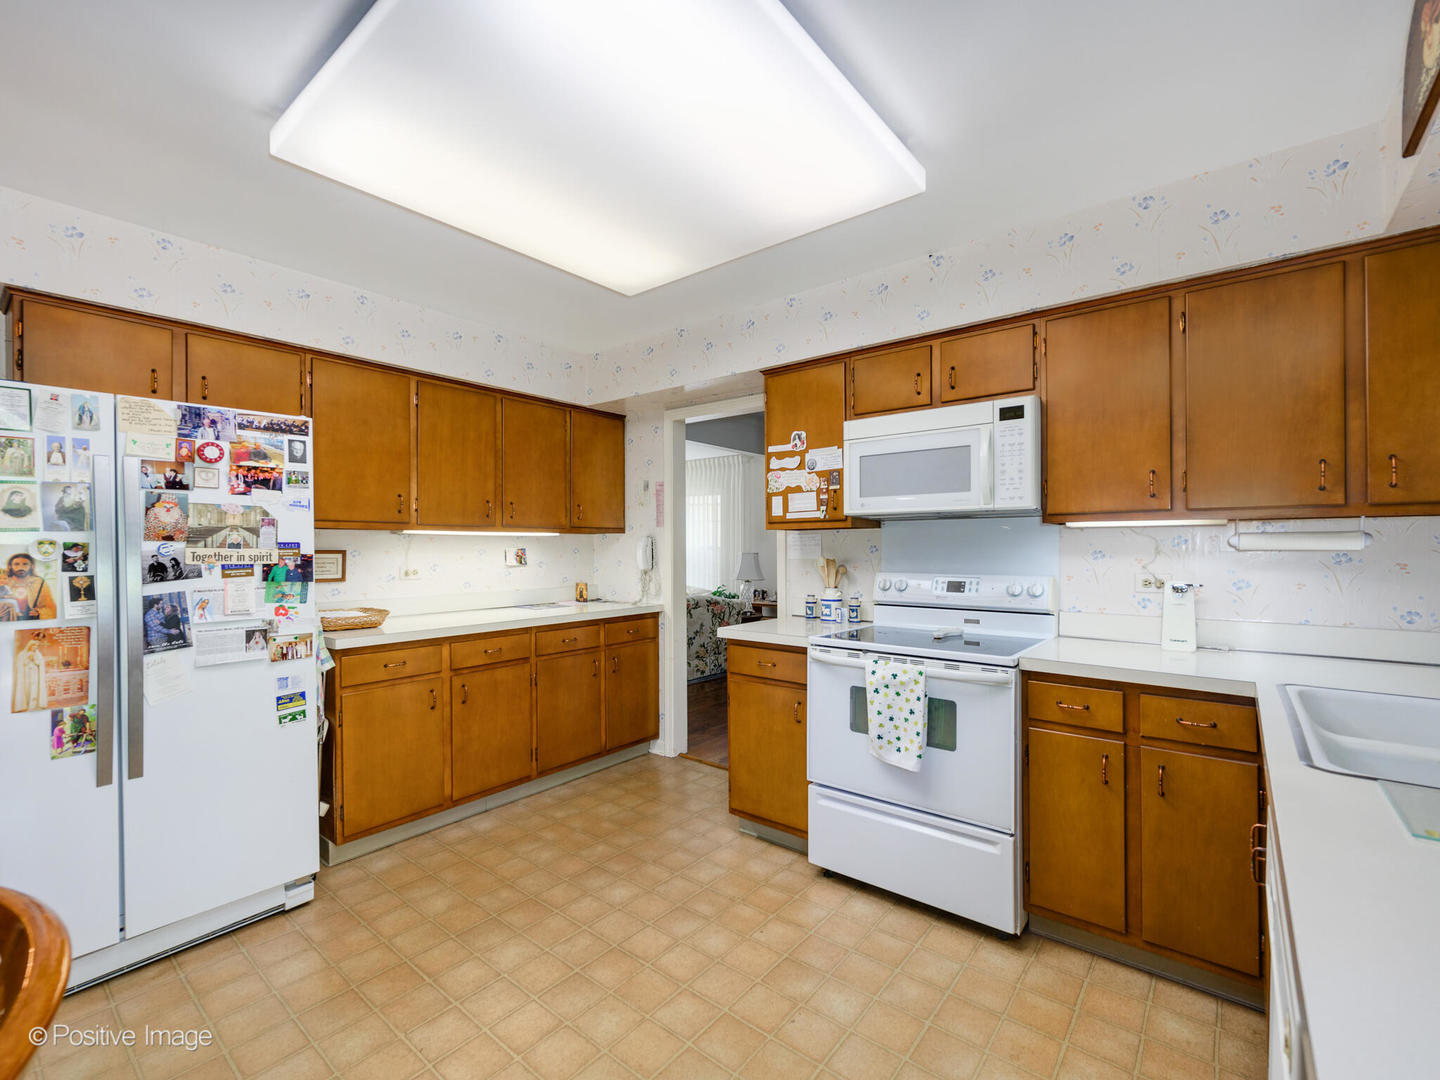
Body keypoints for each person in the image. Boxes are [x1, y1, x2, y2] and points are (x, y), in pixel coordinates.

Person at [0, 553, 56, 619]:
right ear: (10, 566)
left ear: (32, 566)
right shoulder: (3, 581)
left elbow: (50, 608)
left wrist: (39, 612)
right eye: (16, 564)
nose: (21, 567)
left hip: (31, 621)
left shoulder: (39, 582)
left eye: (25, 564)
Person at [13, 635, 46, 711]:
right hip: (27, 674)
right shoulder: (22, 654)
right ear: (30, 646)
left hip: (35, 674)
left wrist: (34, 660)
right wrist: (28, 659)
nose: (35, 647)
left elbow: (40, 664)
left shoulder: (38, 654)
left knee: (34, 689)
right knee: (27, 688)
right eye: (34, 646)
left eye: (37, 646)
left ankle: (33, 704)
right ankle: (26, 704)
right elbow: (20, 664)